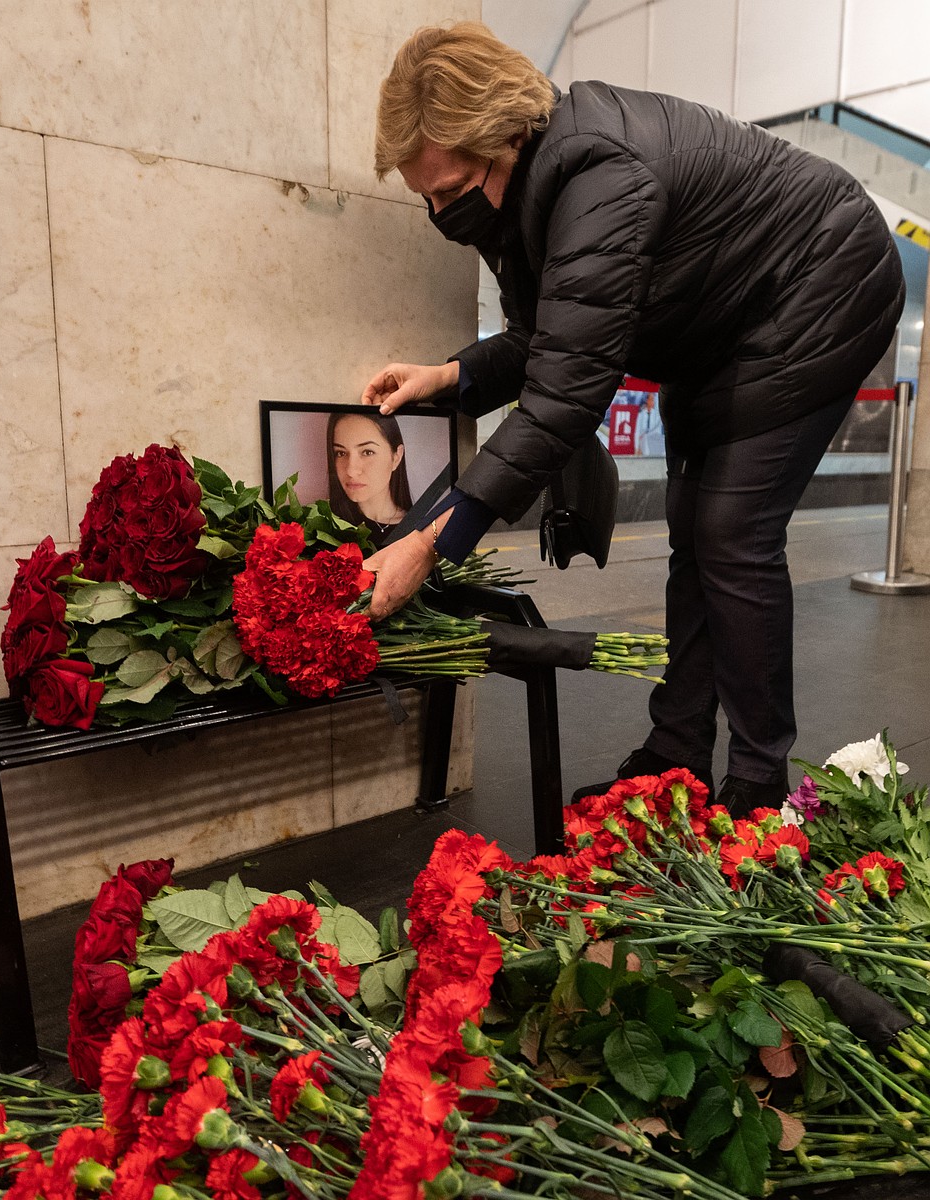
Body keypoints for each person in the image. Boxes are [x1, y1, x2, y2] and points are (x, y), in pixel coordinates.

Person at [359, 22, 904, 813]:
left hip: (821, 284)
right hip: (724, 324)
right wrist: (452, 373)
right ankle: (677, 751)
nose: (440, 213)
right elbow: (544, 332)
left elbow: (564, 391)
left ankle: (757, 783)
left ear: (505, 134)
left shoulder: (598, 174)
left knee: (732, 534)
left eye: (448, 191)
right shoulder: (519, 187)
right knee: (696, 530)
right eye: (424, 198)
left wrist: (432, 543)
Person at [326, 409, 413, 542]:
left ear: (396, 456)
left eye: (367, 452)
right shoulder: (323, 527)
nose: (351, 470)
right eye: (340, 453)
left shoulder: (422, 530)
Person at [635, 392, 665, 457]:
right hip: (643, 443)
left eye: (653, 400)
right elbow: (637, 432)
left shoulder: (657, 415)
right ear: (647, 401)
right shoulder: (641, 415)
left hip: (654, 444)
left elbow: (658, 431)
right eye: (651, 399)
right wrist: (637, 447)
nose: (652, 402)